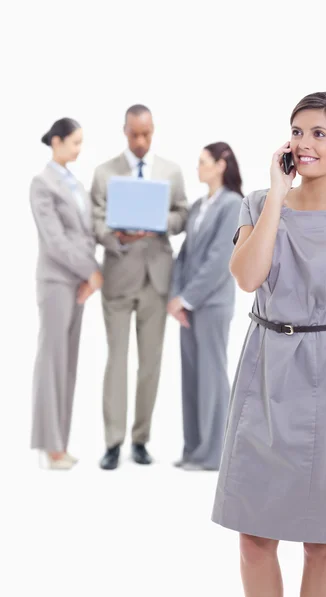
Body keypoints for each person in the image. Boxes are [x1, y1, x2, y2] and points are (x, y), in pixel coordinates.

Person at [211, 92, 326, 597]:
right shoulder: (258, 204)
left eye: (319, 134)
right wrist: (276, 194)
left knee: (322, 540)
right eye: (297, 131)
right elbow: (248, 277)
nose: (304, 143)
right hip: (263, 371)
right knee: (252, 536)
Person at [91, 104, 188, 470]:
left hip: (156, 279)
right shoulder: (104, 173)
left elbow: (183, 215)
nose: (141, 141)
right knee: (117, 360)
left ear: (153, 130)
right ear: (125, 131)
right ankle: (113, 442)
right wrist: (118, 235)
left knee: (151, 364)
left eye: (146, 134)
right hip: (118, 275)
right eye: (135, 134)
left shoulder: (171, 171)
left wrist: (160, 221)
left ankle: (140, 439)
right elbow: (95, 220)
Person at [30, 118, 103, 470]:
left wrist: (91, 273)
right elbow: (55, 240)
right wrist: (89, 270)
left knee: (68, 362)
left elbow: (86, 233)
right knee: (51, 360)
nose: (79, 149)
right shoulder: (42, 184)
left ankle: (60, 442)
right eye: (74, 142)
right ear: (56, 142)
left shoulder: (74, 182)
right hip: (57, 281)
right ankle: (49, 446)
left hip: (77, 282)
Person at [168, 142, 243, 471]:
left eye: (203, 162)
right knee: (192, 376)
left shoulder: (233, 205)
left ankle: (213, 455)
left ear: (220, 164)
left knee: (212, 375)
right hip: (188, 306)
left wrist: (187, 298)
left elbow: (219, 260)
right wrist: (176, 297)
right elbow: (183, 255)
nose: (197, 167)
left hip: (212, 304)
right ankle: (193, 450)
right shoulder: (199, 205)